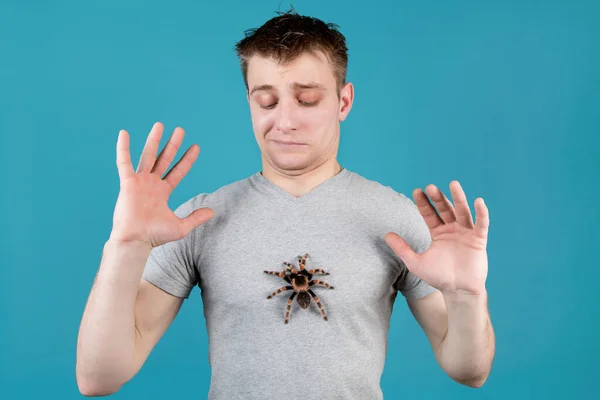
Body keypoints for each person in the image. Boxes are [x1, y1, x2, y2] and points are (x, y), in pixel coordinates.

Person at [76, 9, 495, 399]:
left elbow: (469, 371)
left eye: (307, 99)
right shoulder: (198, 219)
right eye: (267, 101)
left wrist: (467, 295)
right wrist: (126, 245)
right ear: (249, 103)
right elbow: (98, 378)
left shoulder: (395, 218)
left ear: (343, 101)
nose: (286, 120)